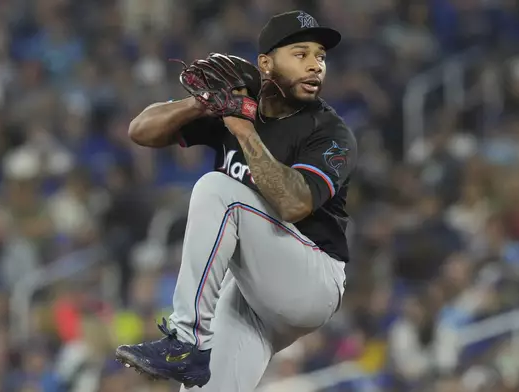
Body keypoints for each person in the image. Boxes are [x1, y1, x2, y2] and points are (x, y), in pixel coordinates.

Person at [115, 10, 357, 391]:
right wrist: (202, 104)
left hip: (312, 278)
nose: (315, 65)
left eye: (320, 56)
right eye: (301, 53)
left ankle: (185, 339)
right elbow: (140, 131)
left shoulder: (329, 131)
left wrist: (243, 131)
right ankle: (190, 348)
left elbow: (295, 205)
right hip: (251, 293)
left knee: (217, 190)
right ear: (266, 63)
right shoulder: (238, 109)